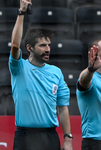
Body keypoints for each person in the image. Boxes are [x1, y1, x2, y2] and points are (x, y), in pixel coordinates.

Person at [9, 0, 73, 150]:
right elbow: (14, 45)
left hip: (49, 137)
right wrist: (21, 13)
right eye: (43, 45)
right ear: (29, 48)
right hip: (24, 137)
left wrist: (68, 138)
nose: (48, 49)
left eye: (49, 45)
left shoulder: (56, 72)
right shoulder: (18, 67)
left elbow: (62, 108)